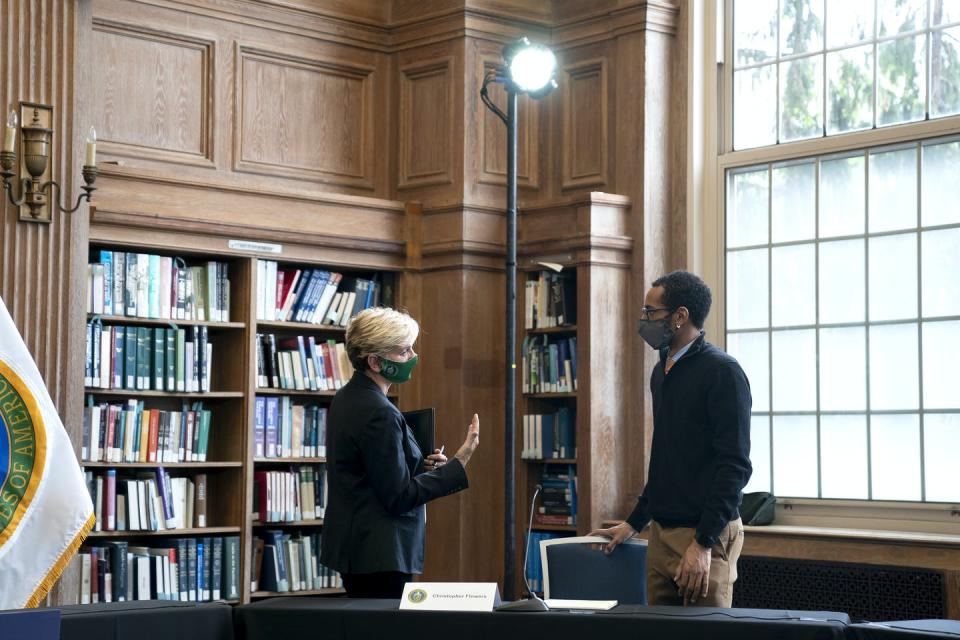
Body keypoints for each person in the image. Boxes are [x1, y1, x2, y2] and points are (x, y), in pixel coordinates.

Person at [590, 270, 752, 607]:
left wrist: (703, 543)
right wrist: (634, 522)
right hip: (661, 534)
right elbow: (666, 458)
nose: (643, 319)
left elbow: (734, 467)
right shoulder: (661, 371)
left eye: (651, 312)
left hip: (704, 534)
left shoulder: (723, 372)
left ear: (680, 316)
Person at [319, 306, 480, 598]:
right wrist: (457, 464)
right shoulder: (379, 413)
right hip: (381, 552)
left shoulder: (347, 398)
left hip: (360, 547)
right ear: (375, 362)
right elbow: (399, 497)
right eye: (404, 351)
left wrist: (422, 467)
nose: (413, 357)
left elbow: (371, 474)